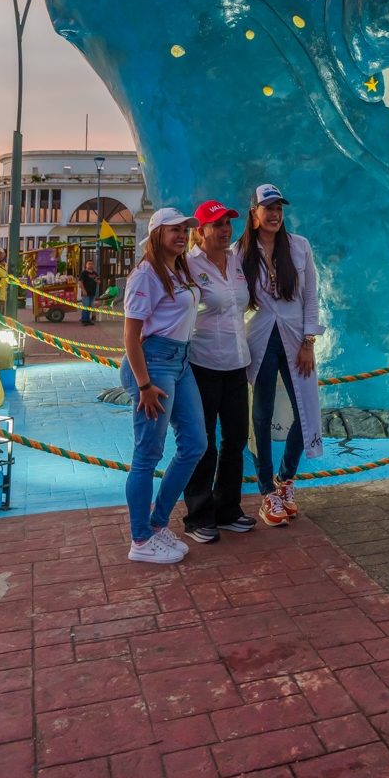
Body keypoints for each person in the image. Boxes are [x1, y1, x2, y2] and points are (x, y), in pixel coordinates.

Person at [120, 207, 207, 564]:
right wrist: (143, 385)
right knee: (147, 455)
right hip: (153, 365)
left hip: (180, 362)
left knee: (195, 445)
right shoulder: (145, 275)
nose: (182, 235)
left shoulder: (178, 268)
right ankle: (140, 540)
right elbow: (130, 335)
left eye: (185, 230)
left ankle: (156, 525)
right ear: (156, 234)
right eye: (174, 230)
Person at [237, 184, 324, 527]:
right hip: (259, 341)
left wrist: (308, 343)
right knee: (260, 419)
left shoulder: (299, 247)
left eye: (279, 208)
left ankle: (285, 479)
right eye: (267, 207)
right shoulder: (240, 251)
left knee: (307, 415)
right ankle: (266, 493)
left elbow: (311, 298)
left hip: (295, 341)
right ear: (254, 214)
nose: (274, 214)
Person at [182, 200, 255, 543]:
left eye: (228, 223)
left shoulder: (236, 259)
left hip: (236, 363)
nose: (225, 230)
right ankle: (198, 515)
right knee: (203, 442)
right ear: (200, 231)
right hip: (202, 363)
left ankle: (227, 509)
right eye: (217, 224)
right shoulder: (187, 265)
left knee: (237, 438)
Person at [79, 260, 100, 326]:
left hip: (92, 293)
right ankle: (84, 320)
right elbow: (80, 282)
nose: (90, 265)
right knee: (86, 307)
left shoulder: (95, 274)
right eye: (89, 264)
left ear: (93, 265)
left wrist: (97, 281)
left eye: (91, 264)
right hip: (86, 293)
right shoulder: (84, 273)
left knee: (90, 307)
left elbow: (99, 282)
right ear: (86, 265)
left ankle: (88, 320)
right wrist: (84, 291)